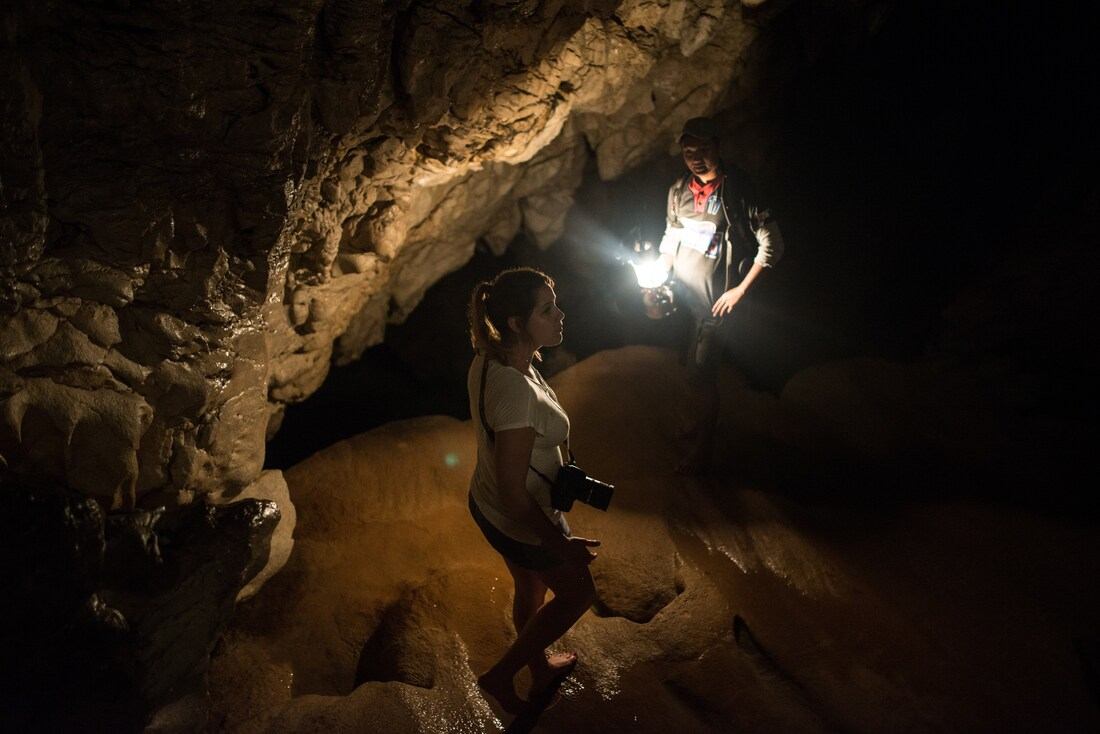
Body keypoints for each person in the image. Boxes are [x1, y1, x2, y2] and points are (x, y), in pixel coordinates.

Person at [466, 267, 601, 714]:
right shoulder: (514, 390)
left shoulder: (491, 358)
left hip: (486, 505)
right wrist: (559, 544)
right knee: (578, 592)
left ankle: (539, 667)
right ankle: (501, 676)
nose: (560, 315)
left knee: (530, 586)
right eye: (547, 310)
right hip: (517, 518)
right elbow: (513, 492)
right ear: (515, 324)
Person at [653, 116, 785, 473]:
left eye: (704, 149)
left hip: (717, 304)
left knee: (702, 375)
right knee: (689, 368)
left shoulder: (738, 189)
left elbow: (773, 243)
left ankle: (701, 452)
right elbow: (671, 237)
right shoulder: (679, 190)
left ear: (718, 147)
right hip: (687, 300)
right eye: (688, 150)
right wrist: (657, 276)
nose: (696, 157)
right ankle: (693, 428)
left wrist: (739, 291)